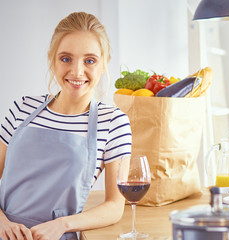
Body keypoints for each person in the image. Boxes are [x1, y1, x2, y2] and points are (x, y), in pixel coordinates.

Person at [0, 12, 131, 240]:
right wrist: (2, 222)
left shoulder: (113, 122)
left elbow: (114, 206)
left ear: (104, 63)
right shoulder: (22, 108)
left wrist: (62, 225)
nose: (77, 71)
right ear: (52, 59)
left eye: (89, 60)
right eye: (65, 58)